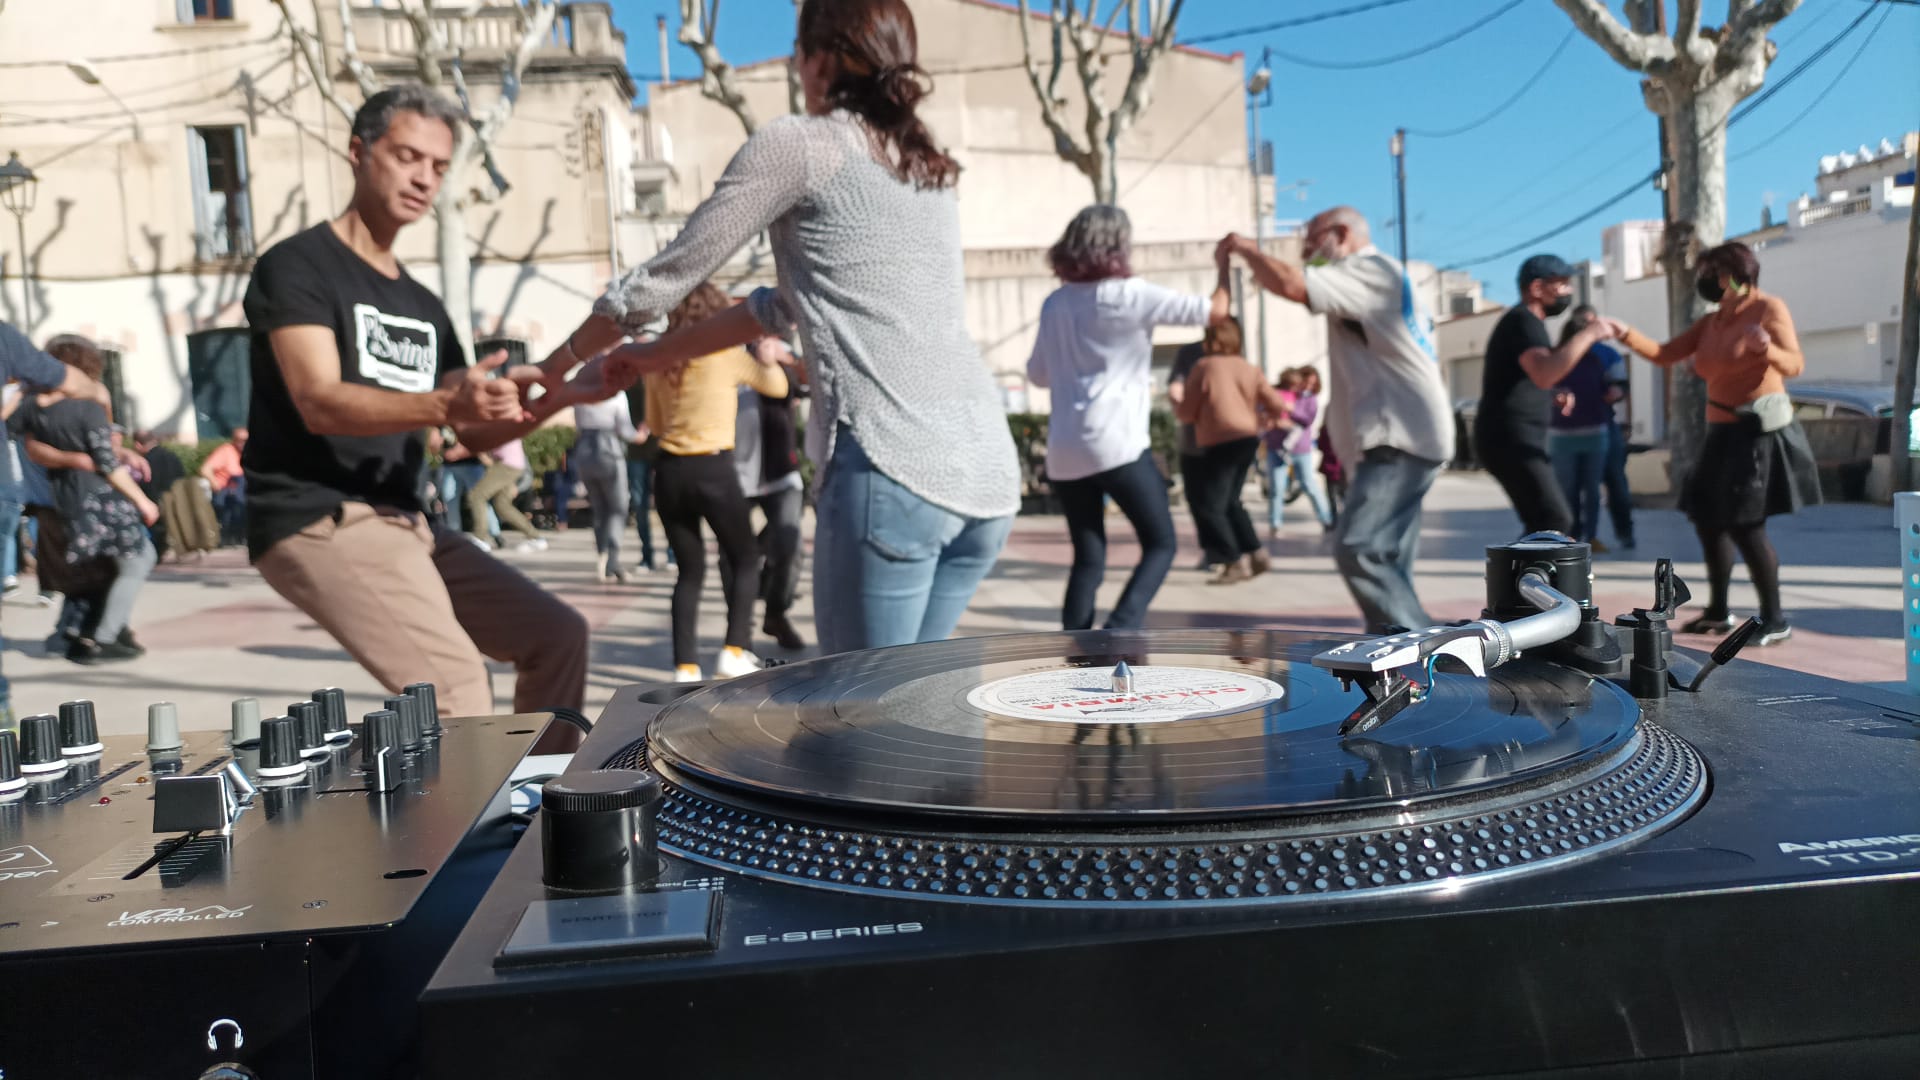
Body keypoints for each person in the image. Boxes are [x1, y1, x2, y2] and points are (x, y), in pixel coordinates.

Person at [527, 0, 1021, 655]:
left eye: (797, 50)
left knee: (860, 719)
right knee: (908, 718)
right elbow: (775, 308)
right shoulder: (920, 164)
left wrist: (558, 363)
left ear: (819, 60)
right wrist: (651, 359)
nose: (793, 65)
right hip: (986, 474)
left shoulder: (804, 145)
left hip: (895, 467)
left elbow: (668, 277)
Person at [239, 84, 594, 742]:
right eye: (407, 156)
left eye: (437, 165)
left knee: (557, 636)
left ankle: (543, 811)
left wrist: (562, 396)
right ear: (358, 152)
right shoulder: (296, 267)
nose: (424, 178)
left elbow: (475, 426)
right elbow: (318, 400)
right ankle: (466, 844)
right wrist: (442, 400)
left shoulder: (423, 304)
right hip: (316, 514)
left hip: (407, 520)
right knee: (455, 685)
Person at [1219, 206, 1454, 633]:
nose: (1306, 250)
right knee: (1388, 560)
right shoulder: (1382, 277)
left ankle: (1428, 649)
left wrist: (1250, 252)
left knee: (1359, 547)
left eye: (1311, 239)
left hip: (1399, 437)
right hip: (1407, 435)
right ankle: (1397, 662)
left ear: (1340, 234)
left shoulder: (1369, 271)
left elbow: (1292, 283)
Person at [1026, 203, 1231, 629]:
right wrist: (1224, 266)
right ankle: (1121, 627)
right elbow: (1215, 312)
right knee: (1161, 543)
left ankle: (1074, 646)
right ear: (1119, 246)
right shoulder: (1133, 295)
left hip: (1065, 450)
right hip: (1117, 443)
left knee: (1088, 556)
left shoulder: (1055, 303)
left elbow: (1038, 375)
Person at [1608, 241, 1817, 645]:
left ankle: (1775, 619)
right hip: (1719, 434)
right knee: (1707, 519)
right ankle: (1719, 611)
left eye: (1715, 273)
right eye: (1705, 273)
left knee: (1746, 526)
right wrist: (1625, 332)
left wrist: (1766, 348)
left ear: (1739, 274)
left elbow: (1795, 363)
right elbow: (1666, 354)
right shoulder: (1713, 321)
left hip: (1755, 433)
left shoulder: (1768, 309)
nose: (1707, 280)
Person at [642, 284, 788, 682]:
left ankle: (685, 666)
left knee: (689, 571)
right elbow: (777, 388)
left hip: (670, 471)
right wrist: (768, 359)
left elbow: (654, 424)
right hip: (713, 470)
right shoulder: (725, 354)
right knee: (744, 558)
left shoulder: (658, 358)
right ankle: (734, 649)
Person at [9, 335, 160, 664]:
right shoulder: (90, 402)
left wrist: (24, 389)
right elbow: (104, 457)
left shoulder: (32, 407)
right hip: (96, 497)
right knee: (135, 559)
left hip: (60, 498)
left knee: (91, 571)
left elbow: (30, 444)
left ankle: (94, 634)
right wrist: (142, 500)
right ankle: (100, 637)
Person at [0, 322, 110, 718]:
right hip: (72, 496)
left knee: (71, 567)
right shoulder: (79, 400)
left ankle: (69, 629)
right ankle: (77, 633)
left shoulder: (28, 402)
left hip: (44, 498)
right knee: (89, 567)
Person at [1475, 255, 1620, 537]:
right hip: (1510, 439)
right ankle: (1517, 580)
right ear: (1537, 288)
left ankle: (1518, 579)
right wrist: (1588, 335)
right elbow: (1544, 372)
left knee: (1544, 522)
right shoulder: (1523, 322)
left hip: (1514, 438)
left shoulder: (1527, 323)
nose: (1568, 291)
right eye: (1562, 284)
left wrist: (1552, 394)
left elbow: (1531, 379)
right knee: (1553, 519)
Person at [1172, 318, 1285, 585]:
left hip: (1218, 441)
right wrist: (1264, 419)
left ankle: (1232, 560)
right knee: (1231, 501)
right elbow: (1278, 404)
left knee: (1210, 505)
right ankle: (1256, 552)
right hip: (1246, 439)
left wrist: (1187, 407)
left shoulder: (1204, 366)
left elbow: (1187, 412)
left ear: (1211, 340)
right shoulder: (1248, 368)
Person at [726, 334, 809, 650]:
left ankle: (776, 613)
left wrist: (781, 360)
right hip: (734, 474)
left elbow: (804, 385)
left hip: (780, 474)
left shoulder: (781, 350)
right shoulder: (726, 353)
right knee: (731, 556)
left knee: (790, 544)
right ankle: (739, 630)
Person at [1547, 306, 1617, 552]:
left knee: (1593, 489)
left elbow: (1614, 386)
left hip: (1595, 433)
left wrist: (1616, 393)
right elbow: (1542, 388)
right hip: (1562, 437)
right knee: (1567, 490)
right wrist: (1556, 394)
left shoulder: (1597, 360)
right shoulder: (1555, 359)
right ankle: (1569, 537)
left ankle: (1592, 536)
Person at [570, 369, 639, 583]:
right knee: (618, 507)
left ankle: (602, 554)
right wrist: (641, 434)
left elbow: (577, 423)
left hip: (584, 451)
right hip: (608, 448)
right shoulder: (616, 395)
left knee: (600, 509)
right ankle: (613, 560)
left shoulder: (580, 395)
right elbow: (626, 430)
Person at [1167, 341, 1222, 571]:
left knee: (1218, 500)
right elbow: (1175, 388)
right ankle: (1214, 551)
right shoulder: (1190, 353)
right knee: (1198, 498)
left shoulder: (1233, 358)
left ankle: (1228, 551)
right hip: (1194, 439)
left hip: (1222, 442)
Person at [1266, 367, 1335, 536]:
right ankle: (1275, 524)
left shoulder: (1310, 399)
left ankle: (1326, 520)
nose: (1308, 386)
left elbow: (1307, 420)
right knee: (1277, 487)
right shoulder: (1280, 393)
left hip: (1300, 449)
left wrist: (1291, 410)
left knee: (1309, 485)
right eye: (1306, 382)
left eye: (1313, 384)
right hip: (1277, 446)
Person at [464, 436, 546, 552]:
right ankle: (536, 537)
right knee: (502, 505)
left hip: (506, 464)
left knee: (477, 496)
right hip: (511, 464)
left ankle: (479, 538)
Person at [1600, 346, 1637, 550]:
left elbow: (1622, 386)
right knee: (1572, 487)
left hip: (1605, 426)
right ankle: (1576, 535)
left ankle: (1625, 532)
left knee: (1616, 481)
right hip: (1570, 432)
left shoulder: (1608, 354)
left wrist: (1618, 391)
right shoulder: (1564, 351)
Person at [622, 380, 659, 573]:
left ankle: (671, 553)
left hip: (661, 449)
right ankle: (647, 556)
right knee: (639, 503)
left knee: (666, 502)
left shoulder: (661, 375)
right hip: (636, 451)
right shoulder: (628, 381)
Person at [199, 427, 247, 546]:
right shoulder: (225, 451)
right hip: (227, 490)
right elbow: (205, 469)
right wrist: (215, 484)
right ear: (234, 440)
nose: (243, 443)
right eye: (240, 440)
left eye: (246, 440)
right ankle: (230, 537)